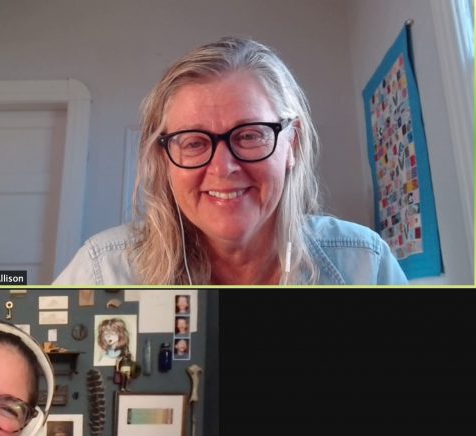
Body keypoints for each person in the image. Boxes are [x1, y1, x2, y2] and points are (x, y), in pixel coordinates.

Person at [54, 36, 408, 285]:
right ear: (164, 159)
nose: (223, 168)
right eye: (193, 142)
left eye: (250, 135)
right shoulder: (100, 271)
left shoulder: (366, 265)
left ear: (292, 145)